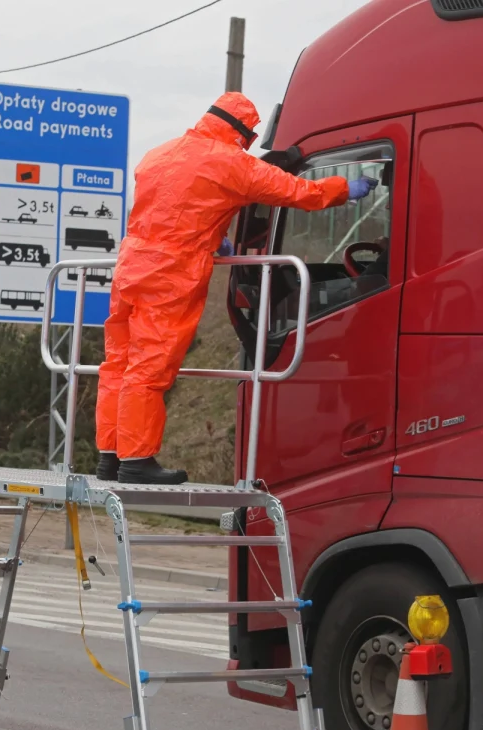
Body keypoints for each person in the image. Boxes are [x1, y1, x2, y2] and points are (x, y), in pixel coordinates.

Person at [94, 91, 378, 485]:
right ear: (242, 132)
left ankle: (111, 455)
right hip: (171, 275)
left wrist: (214, 237)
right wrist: (346, 190)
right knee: (150, 367)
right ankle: (138, 460)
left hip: (130, 268)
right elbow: (297, 192)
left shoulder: (157, 154)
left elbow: (176, 207)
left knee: (118, 364)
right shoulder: (232, 163)